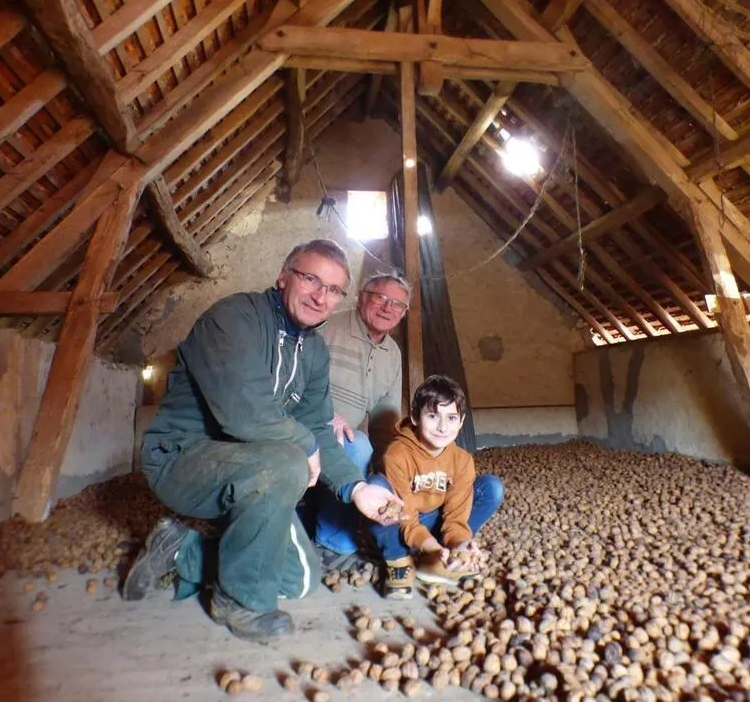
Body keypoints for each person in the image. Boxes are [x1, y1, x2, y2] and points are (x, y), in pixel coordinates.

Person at [124, 239, 404, 643]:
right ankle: (238, 602)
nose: (320, 296)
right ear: (283, 276)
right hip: (184, 460)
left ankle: (181, 548)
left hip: (256, 471)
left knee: (300, 579)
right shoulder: (232, 318)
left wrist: (357, 487)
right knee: (288, 460)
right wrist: (306, 445)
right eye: (311, 279)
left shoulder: (314, 351)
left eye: (332, 289)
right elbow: (245, 413)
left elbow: (318, 427)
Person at [366, 375, 504, 599]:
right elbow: (406, 516)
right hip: (400, 526)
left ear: (461, 421)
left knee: (491, 488)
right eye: (432, 416)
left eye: (451, 418)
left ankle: (438, 560)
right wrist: (432, 547)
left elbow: (456, 516)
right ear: (415, 417)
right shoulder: (397, 454)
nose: (442, 427)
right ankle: (399, 560)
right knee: (376, 488)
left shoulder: (462, 460)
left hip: (435, 522)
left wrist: (460, 544)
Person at [311, 273, 410, 563]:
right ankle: (333, 544)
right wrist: (325, 413)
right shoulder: (327, 328)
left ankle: (366, 527)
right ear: (362, 297)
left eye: (397, 304)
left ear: (403, 313)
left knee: (387, 455)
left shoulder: (392, 353)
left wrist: (393, 461)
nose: (388, 308)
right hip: (306, 425)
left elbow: (385, 419)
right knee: (359, 446)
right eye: (380, 297)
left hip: (343, 439)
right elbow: (294, 383)